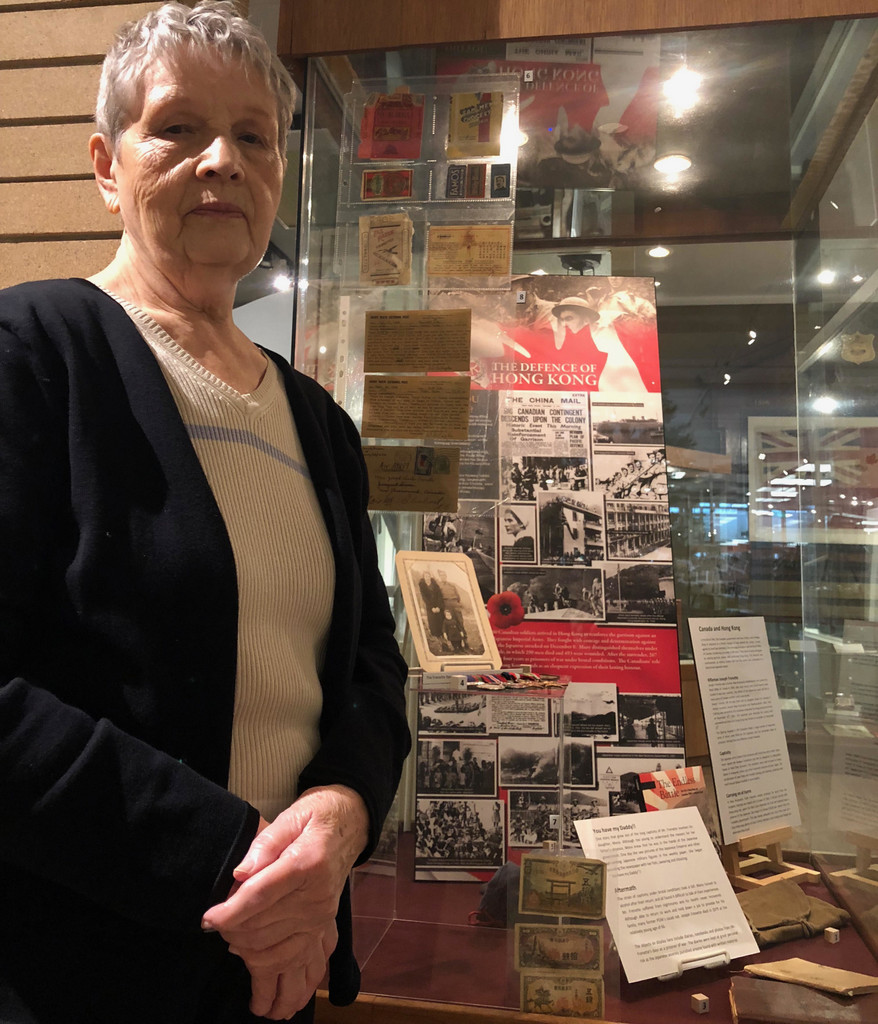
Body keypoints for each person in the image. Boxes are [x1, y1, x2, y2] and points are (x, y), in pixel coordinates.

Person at [0, 4, 410, 1023]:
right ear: (106, 165)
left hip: (278, 968)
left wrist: (341, 812)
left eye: (253, 135)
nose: (221, 159)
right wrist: (239, 864)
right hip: (82, 967)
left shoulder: (317, 420)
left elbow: (370, 665)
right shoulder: (32, 352)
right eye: (176, 128)